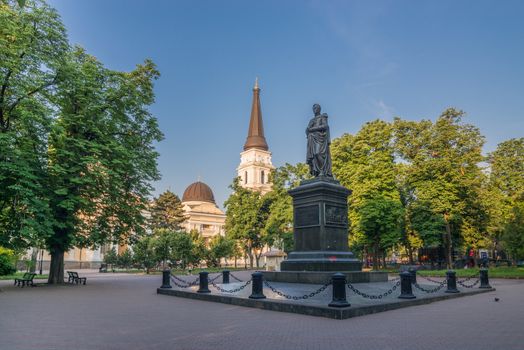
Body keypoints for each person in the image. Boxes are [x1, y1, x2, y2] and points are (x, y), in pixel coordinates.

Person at [306, 104, 333, 177]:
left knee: (318, 153)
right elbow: (307, 130)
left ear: (319, 109)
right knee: (314, 155)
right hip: (312, 139)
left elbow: (325, 126)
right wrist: (308, 129)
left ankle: (322, 171)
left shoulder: (322, 117)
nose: (314, 109)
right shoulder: (311, 120)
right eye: (313, 108)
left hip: (320, 138)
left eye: (316, 108)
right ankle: (317, 172)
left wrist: (313, 129)